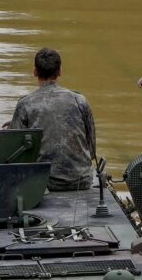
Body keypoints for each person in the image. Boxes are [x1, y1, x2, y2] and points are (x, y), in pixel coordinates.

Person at [6, 47, 97, 190]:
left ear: (35, 72)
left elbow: (17, 155)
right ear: (60, 71)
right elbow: (91, 151)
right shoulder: (80, 101)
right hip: (81, 181)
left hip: (43, 183)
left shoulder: (25, 104)